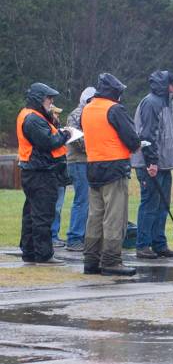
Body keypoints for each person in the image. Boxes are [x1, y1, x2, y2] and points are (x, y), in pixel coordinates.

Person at [82, 73, 142, 276]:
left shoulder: (87, 109)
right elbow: (132, 140)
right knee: (114, 217)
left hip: (92, 167)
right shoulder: (114, 109)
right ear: (114, 92)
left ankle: (91, 260)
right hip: (114, 168)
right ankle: (111, 260)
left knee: (95, 216)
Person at [16, 82, 72, 265]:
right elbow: (48, 142)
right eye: (49, 98)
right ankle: (44, 254)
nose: (51, 101)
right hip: (40, 172)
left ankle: (30, 251)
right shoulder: (33, 118)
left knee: (32, 213)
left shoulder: (34, 116)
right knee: (43, 214)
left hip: (34, 170)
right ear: (39, 99)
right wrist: (65, 135)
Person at [130, 69, 173, 259]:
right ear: (165, 86)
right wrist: (151, 161)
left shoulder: (165, 103)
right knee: (150, 204)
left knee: (163, 205)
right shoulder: (151, 103)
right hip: (150, 165)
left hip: (164, 165)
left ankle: (159, 243)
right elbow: (147, 135)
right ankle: (143, 245)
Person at [64, 87, 96, 251]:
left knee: (88, 200)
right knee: (82, 199)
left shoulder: (88, 113)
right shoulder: (76, 115)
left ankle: (82, 236)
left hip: (87, 161)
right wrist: (96, 147)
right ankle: (74, 238)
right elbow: (76, 139)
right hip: (78, 161)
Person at [48, 104, 68, 248]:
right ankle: (51, 236)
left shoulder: (58, 129)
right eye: (55, 114)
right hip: (54, 174)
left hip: (60, 174)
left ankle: (55, 234)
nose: (57, 116)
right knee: (53, 207)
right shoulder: (49, 130)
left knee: (58, 207)